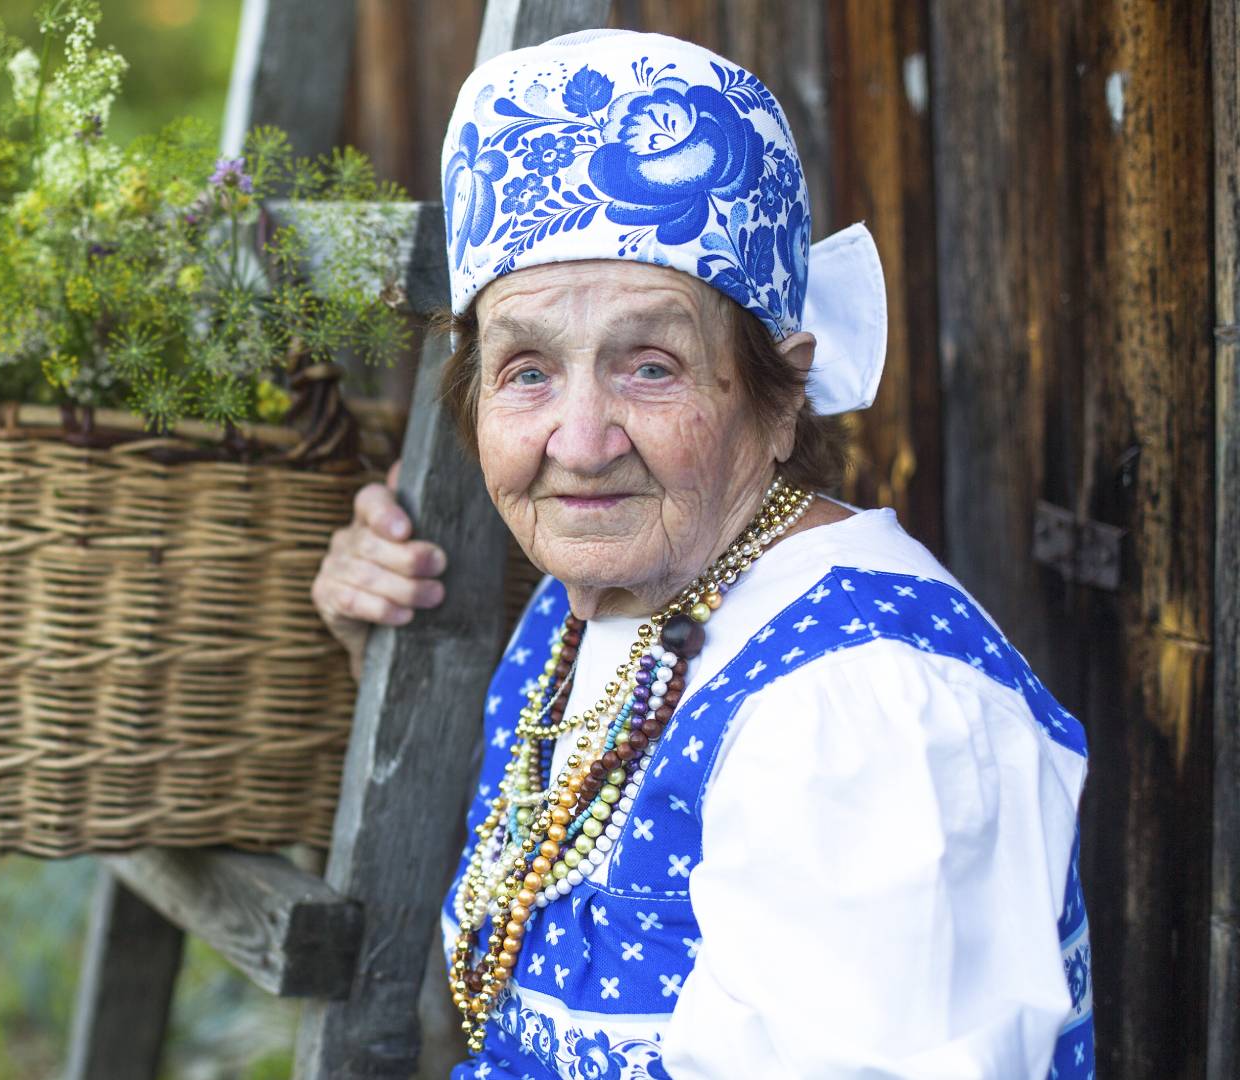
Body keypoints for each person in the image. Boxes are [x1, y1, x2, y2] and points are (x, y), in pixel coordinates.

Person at [310, 29, 1094, 1080]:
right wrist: (382, 652)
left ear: (780, 397)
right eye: (527, 371)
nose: (580, 443)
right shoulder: (591, 603)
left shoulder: (863, 711)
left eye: (650, 366)